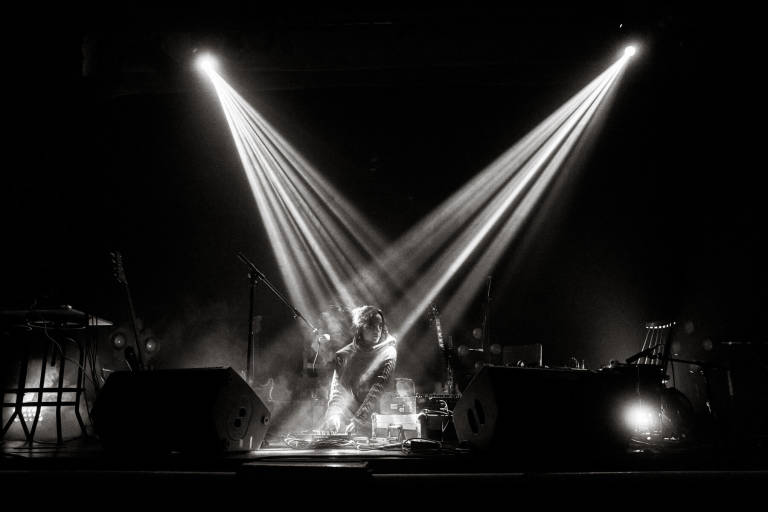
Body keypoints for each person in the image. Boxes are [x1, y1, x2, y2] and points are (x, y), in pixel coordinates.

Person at [321, 305, 397, 435]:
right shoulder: (345, 355)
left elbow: (377, 389)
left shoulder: (388, 352)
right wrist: (333, 416)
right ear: (360, 328)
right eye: (371, 326)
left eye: (379, 325)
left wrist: (359, 420)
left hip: (380, 419)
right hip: (350, 418)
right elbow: (338, 390)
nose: (377, 330)